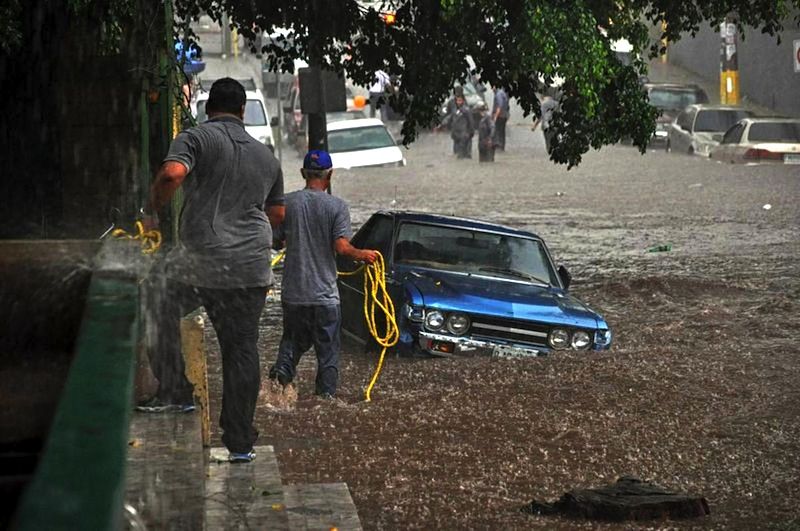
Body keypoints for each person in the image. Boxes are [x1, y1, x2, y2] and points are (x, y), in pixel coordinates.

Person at [138, 78, 285, 464]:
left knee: (155, 298)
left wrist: (152, 210)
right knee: (241, 349)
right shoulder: (266, 156)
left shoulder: (195, 138)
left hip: (204, 262)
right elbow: (278, 213)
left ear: (208, 108)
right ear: (242, 111)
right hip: (251, 266)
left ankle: (175, 392)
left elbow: (172, 175)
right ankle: (239, 443)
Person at [268, 150, 378, 399]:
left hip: (294, 295)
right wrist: (363, 254)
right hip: (325, 298)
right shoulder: (336, 206)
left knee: (291, 344)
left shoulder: (287, 204)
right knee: (327, 355)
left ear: (303, 173)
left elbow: (276, 242)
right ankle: (325, 402)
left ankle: (278, 383)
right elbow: (341, 247)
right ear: (330, 175)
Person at [441, 93, 474, 159]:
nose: (458, 102)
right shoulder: (454, 110)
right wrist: (442, 125)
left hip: (464, 135)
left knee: (464, 155)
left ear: (463, 101)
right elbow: (450, 118)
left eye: (460, 100)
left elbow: (471, 122)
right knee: (456, 154)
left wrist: (470, 132)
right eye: (457, 100)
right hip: (456, 135)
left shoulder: (466, 110)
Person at [491, 87, 510, 151]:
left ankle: (499, 146)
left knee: (498, 131)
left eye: (492, 87)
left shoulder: (498, 94)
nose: (492, 89)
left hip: (500, 116)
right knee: (502, 131)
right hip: (504, 115)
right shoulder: (503, 93)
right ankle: (502, 146)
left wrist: (495, 116)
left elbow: (500, 105)